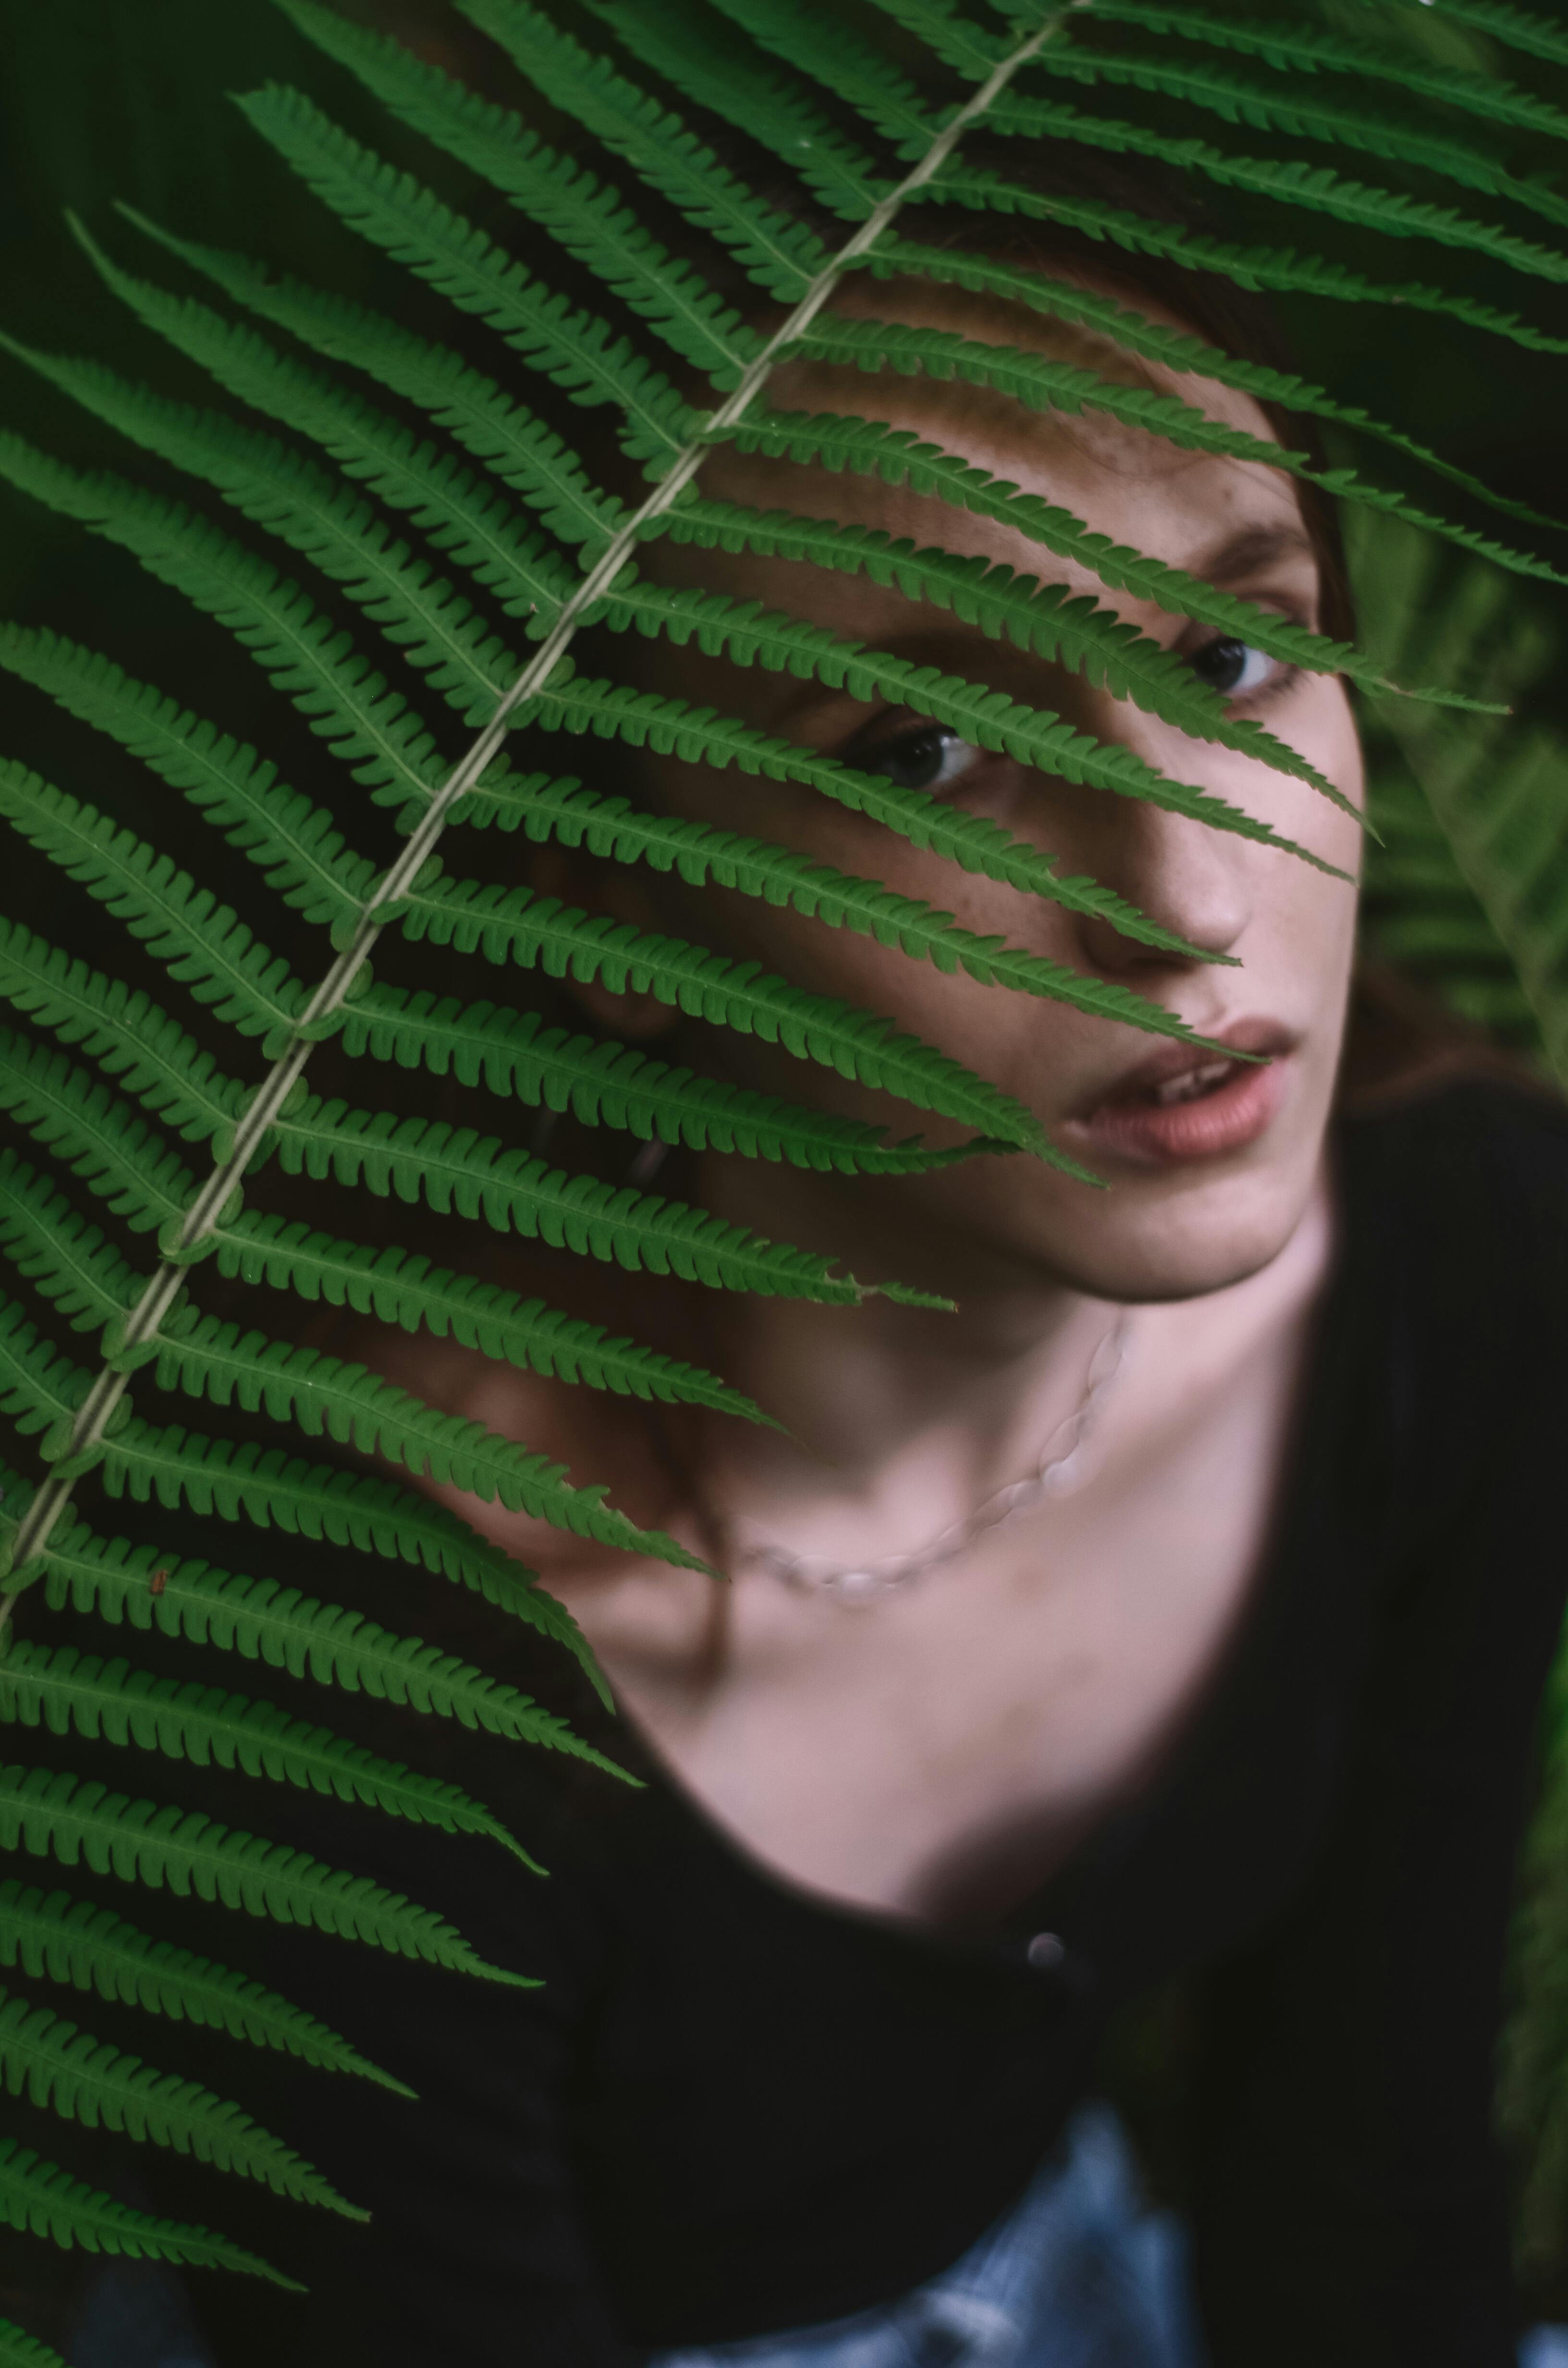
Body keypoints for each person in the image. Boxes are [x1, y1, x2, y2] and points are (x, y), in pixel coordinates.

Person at [33, 167, 1568, 2368]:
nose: (1186, 894)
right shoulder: (363, 1659)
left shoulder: (1459, 1258)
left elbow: (1362, 2195)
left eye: (1232, 652)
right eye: (927, 753)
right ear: (617, 894)